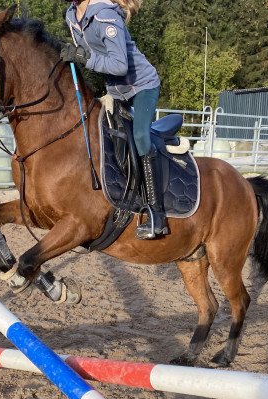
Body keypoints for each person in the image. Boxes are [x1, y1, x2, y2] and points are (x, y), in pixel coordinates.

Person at [61, 0, 168, 240]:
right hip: (118, 91)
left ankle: (157, 215)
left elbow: (119, 65)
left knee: (140, 136)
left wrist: (83, 57)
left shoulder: (105, 16)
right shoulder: (72, 16)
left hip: (142, 87)